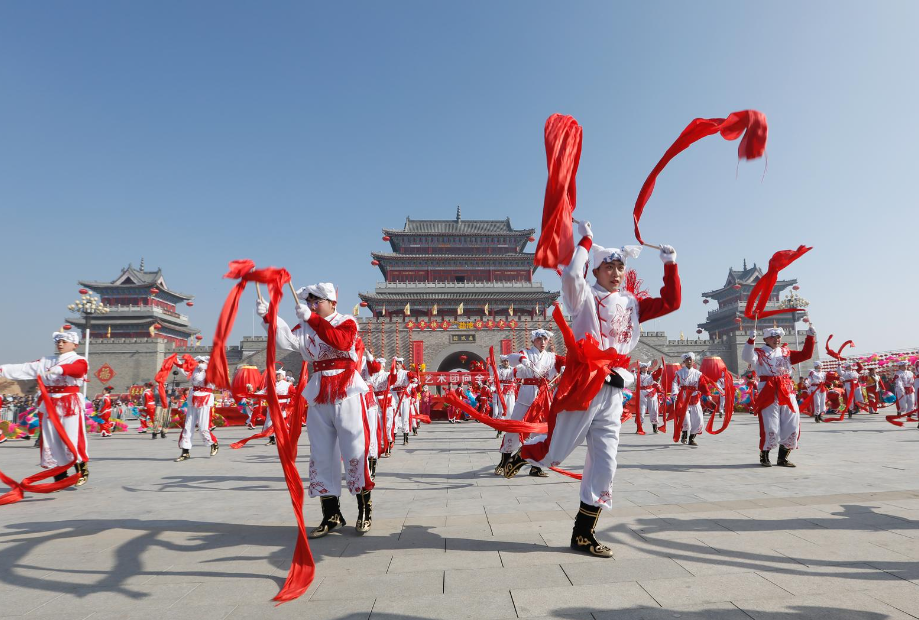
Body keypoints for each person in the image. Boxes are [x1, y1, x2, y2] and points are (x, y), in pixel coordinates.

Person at [505, 221, 680, 557]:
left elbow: (671, 302)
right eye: (608, 267)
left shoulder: (632, 302)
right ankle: (522, 454)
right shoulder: (582, 297)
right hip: (584, 384)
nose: (615, 273)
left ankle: (583, 534)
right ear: (595, 270)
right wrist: (585, 241)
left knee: (606, 464)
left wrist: (670, 264)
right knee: (555, 454)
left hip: (614, 391)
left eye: (620, 267)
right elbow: (571, 275)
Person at [257, 282, 374, 536]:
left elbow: (340, 342)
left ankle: (364, 509)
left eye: (317, 301)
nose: (311, 306)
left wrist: (311, 318)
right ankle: (331, 513)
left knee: (354, 448)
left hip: (346, 389)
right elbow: (286, 340)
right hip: (319, 390)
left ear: (332, 302)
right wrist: (269, 316)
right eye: (309, 302)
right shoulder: (306, 326)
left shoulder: (346, 321)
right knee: (320, 453)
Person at [0, 331, 90, 485]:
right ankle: (59, 475)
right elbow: (24, 369)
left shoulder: (79, 360)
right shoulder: (46, 361)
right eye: (58, 342)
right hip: (49, 404)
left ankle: (81, 468)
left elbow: (79, 370)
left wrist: (60, 370)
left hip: (69, 403)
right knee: (51, 439)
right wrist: (3, 369)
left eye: (64, 341)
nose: (60, 344)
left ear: (75, 344)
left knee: (71, 436)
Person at [742, 325, 815, 467]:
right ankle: (764, 455)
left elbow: (806, 355)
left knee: (792, 423)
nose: (777, 339)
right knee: (770, 425)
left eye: (778, 337)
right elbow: (746, 357)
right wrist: (751, 340)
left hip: (786, 389)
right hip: (768, 389)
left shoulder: (785, 352)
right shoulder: (759, 353)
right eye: (773, 337)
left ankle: (783, 457)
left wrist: (810, 337)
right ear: (765, 339)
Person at [495, 329, 564, 478]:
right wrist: (522, 360)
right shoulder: (525, 353)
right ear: (534, 341)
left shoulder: (552, 357)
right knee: (516, 426)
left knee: (540, 431)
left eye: (545, 339)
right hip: (526, 395)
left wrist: (565, 367)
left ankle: (536, 465)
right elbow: (512, 358)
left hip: (544, 397)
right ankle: (504, 460)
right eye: (540, 339)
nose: (543, 342)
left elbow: (567, 362)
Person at [174, 356, 219, 461]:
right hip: (193, 398)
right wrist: (176, 361)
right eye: (198, 361)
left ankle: (213, 443)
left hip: (205, 399)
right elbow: (184, 369)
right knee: (188, 426)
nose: (199, 363)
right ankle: (185, 451)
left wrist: (201, 365)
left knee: (203, 427)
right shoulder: (194, 370)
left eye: (202, 361)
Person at [670, 353, 709, 446]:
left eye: (691, 359)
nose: (689, 361)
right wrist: (675, 393)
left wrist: (707, 394)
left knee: (698, 419)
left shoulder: (698, 373)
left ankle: (692, 438)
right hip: (683, 397)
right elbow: (675, 383)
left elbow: (703, 385)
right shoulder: (679, 373)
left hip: (694, 397)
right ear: (684, 361)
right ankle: (684, 433)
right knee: (685, 419)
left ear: (693, 361)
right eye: (687, 360)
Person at [638, 362, 663, 433]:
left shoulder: (651, 375)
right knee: (641, 409)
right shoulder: (637, 375)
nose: (645, 368)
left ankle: (655, 426)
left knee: (653, 409)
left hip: (651, 392)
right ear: (640, 368)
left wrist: (660, 368)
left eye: (646, 367)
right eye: (643, 367)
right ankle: (639, 427)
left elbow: (658, 374)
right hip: (641, 392)